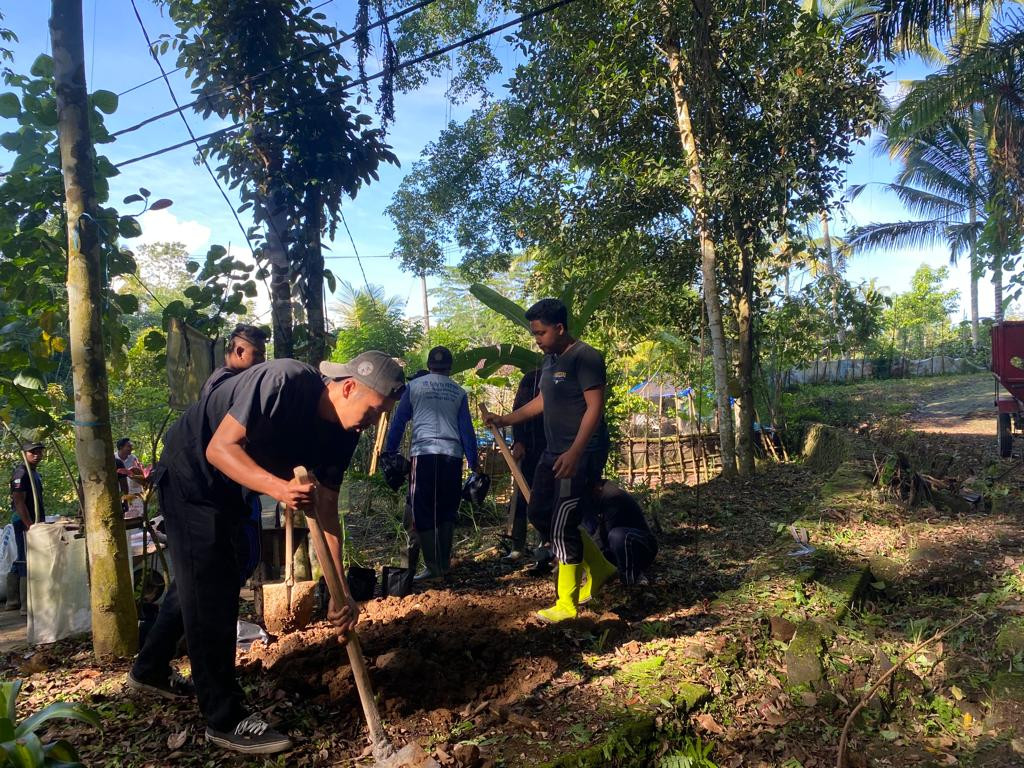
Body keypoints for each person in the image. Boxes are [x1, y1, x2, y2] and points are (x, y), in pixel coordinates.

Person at [128, 352, 404, 755]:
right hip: (193, 474)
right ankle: (224, 718)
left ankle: (149, 668)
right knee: (211, 585)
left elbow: (326, 511)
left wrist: (340, 595)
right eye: (374, 410)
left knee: (216, 570)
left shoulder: (345, 433)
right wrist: (278, 489)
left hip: (231, 488)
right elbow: (220, 449)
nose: (374, 422)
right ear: (348, 388)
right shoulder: (284, 381)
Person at [484, 299, 618, 623]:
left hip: (581, 452)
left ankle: (567, 604)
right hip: (552, 451)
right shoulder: (550, 361)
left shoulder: (585, 358)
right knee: (539, 512)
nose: (537, 340)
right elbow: (542, 401)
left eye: (541, 333)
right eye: (534, 334)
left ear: (559, 328)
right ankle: (598, 567)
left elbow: (594, 409)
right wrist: (505, 419)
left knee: (562, 525)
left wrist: (575, 453)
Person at [383, 346, 478, 582]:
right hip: (451, 457)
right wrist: (474, 464)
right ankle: (444, 564)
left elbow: (399, 421)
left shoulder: (415, 387)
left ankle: (433, 567)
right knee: (447, 510)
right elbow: (467, 431)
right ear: (450, 367)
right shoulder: (458, 392)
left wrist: (389, 451)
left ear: (429, 365)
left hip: (424, 456)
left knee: (423, 511)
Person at [584, 480, 658, 587]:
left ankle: (632, 579)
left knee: (617, 536)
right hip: (617, 550)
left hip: (642, 547)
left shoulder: (613, 497)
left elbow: (602, 537)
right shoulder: (593, 500)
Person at [505, 368, 545, 562]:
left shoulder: (566, 374)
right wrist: (518, 441)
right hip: (529, 449)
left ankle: (545, 545)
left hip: (553, 449)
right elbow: (518, 410)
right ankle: (517, 546)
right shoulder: (531, 378)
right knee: (522, 496)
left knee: (547, 497)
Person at [8, 441, 45, 615]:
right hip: (23, 521)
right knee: (25, 558)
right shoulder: (21, 473)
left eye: (39, 452)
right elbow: (18, 501)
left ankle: (12, 600)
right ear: (24, 454)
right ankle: (24, 604)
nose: (36, 455)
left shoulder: (34, 473)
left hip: (33, 521)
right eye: (32, 452)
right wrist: (30, 525)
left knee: (23, 556)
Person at [199, 324, 269, 398]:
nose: (263, 360)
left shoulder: (222, 377)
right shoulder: (225, 382)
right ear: (240, 352)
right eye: (259, 354)